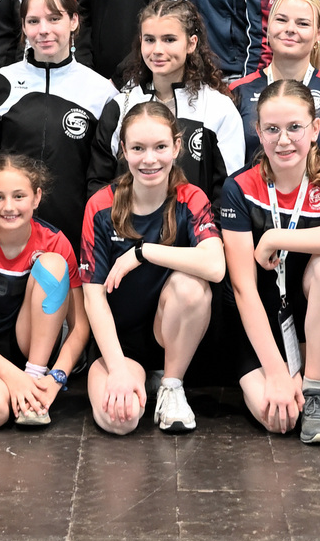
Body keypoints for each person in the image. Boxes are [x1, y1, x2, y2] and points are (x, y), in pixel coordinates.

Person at [215, 79, 320, 443]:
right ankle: (287, 371)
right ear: (258, 132)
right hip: (255, 321)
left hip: (305, 313)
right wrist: (276, 373)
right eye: (272, 129)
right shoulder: (239, 188)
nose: (283, 140)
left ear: (315, 129)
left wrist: (277, 236)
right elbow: (242, 287)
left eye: (295, 127)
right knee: (278, 419)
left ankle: (315, 391)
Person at [77, 101, 227, 435]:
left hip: (171, 336)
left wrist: (143, 252)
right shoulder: (100, 205)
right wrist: (116, 369)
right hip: (122, 344)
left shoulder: (192, 197)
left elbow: (215, 266)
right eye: (138, 148)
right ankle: (140, 379)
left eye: (160, 147)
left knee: (191, 285)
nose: (149, 159)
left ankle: (172, 385)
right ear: (123, 150)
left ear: (176, 147)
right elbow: (93, 298)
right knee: (120, 420)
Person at [0, 155, 91, 428]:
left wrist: (56, 377)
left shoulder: (54, 241)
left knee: (52, 264)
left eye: (19, 196)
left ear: (36, 198)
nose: (8, 207)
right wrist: (12, 377)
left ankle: (35, 381)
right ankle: (22, 389)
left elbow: (80, 327)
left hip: (32, 352)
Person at [0, 0, 116, 237]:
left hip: (74, 232)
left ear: (74, 21)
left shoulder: (101, 92)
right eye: (33, 21)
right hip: (8, 229)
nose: (44, 30)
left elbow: (103, 176)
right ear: (23, 27)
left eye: (54, 19)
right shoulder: (1, 82)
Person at [91, 0, 245, 206]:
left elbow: (228, 192)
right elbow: (98, 185)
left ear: (191, 43)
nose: (157, 50)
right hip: (129, 234)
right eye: (150, 40)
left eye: (169, 40)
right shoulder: (121, 107)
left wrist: (206, 236)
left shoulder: (219, 109)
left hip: (196, 236)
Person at [227, 0, 320, 187]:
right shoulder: (238, 91)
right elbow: (226, 171)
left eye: (303, 23)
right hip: (251, 209)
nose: (290, 29)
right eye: (281, 20)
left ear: (319, 34)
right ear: (268, 27)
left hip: (319, 213)